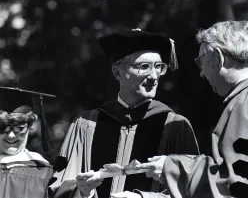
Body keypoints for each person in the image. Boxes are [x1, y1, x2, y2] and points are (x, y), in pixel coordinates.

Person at [135, 20, 248, 198]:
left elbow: (238, 182)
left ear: (217, 58)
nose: (201, 73)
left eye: (201, 61)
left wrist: (172, 168)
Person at [50, 29, 199, 198]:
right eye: (144, 67)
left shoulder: (174, 126)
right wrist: (85, 192)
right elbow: (60, 187)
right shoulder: (87, 123)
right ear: (117, 72)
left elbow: (192, 190)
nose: (154, 76)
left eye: (159, 67)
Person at [0, 86, 55, 198]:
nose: (11, 135)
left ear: (29, 127)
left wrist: (85, 192)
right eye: (2, 127)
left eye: (19, 128)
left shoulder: (44, 172)